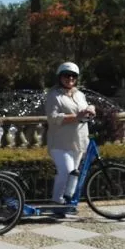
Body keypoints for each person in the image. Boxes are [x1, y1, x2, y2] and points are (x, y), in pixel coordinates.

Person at [46, 62, 95, 214]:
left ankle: (67, 203)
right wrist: (76, 116)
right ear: (60, 77)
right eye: (67, 75)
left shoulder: (79, 94)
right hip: (60, 142)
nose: (70, 79)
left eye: (73, 76)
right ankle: (56, 201)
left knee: (74, 174)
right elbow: (53, 118)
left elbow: (86, 107)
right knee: (66, 171)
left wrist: (91, 109)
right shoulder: (54, 96)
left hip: (79, 141)